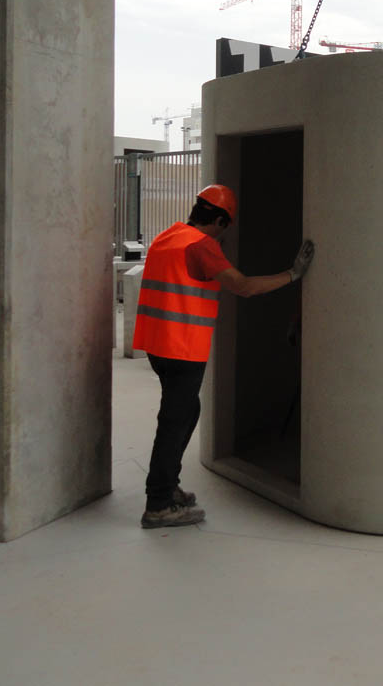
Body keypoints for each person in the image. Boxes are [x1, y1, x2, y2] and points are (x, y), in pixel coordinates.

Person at [132, 183, 314, 529]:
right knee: (174, 422)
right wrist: (293, 274)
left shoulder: (167, 237)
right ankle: (158, 502)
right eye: (225, 224)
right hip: (182, 348)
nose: (225, 231)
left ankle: (168, 487)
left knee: (187, 411)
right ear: (218, 219)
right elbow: (243, 286)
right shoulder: (202, 247)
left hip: (157, 345)